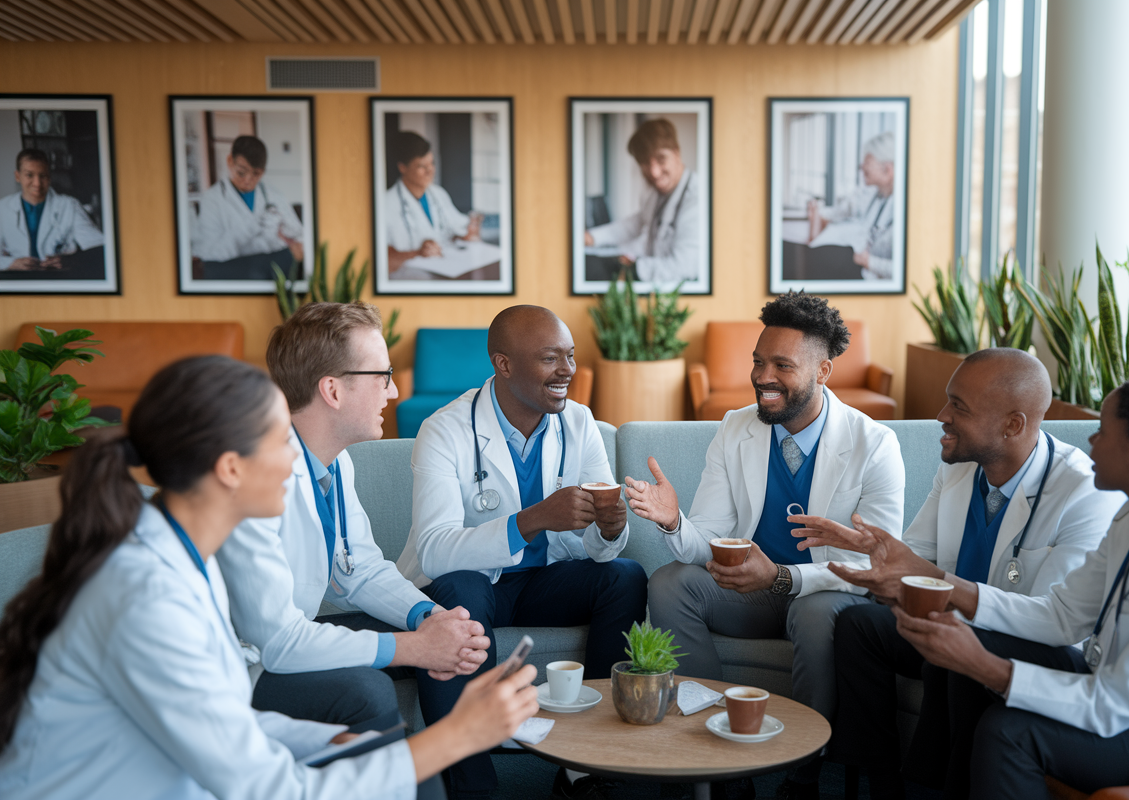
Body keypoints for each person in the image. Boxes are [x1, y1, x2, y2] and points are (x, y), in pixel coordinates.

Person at [0, 355, 539, 800]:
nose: (294, 462)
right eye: (281, 441)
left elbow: (227, 720)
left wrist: (331, 742)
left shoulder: (182, 556)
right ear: (230, 468)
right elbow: (268, 787)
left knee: (382, 765)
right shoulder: (148, 598)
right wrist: (457, 735)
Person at [877, 370, 1129, 798]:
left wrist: (983, 665)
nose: (1091, 441)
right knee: (974, 651)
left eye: (1103, 432)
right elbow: (1062, 615)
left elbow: (1115, 704)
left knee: (1009, 730)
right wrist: (947, 593)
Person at [790, 348, 1126, 798]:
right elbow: (919, 559)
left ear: (1013, 425)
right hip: (954, 617)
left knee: (957, 655)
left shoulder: (1084, 490)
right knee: (859, 624)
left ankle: (930, 787)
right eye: (949, 400)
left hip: (1025, 641)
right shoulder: (958, 467)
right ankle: (877, 781)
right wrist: (877, 557)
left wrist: (934, 587)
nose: (941, 415)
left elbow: (1052, 622)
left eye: (959, 407)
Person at [626, 291, 906, 800]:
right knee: (670, 582)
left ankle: (804, 772)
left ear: (823, 371)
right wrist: (674, 522)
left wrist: (783, 576)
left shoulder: (874, 444)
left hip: (824, 595)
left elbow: (873, 562)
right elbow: (708, 540)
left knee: (817, 614)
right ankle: (714, 757)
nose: (762, 376)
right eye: (758, 361)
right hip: (752, 596)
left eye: (782, 365)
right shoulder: (736, 428)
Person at [396, 305, 648, 800]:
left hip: (541, 582)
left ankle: (585, 769)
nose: (568, 371)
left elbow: (595, 550)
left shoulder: (579, 423)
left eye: (571, 357)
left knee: (624, 575)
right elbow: (433, 550)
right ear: (504, 364)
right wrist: (533, 518)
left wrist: (610, 528)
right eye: (551, 359)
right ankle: (473, 787)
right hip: (471, 583)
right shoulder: (445, 429)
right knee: (459, 596)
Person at [217, 302, 489, 740]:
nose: (394, 391)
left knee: (444, 631)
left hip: (283, 642)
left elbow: (357, 570)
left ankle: (466, 783)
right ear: (333, 390)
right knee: (367, 689)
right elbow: (278, 644)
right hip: (238, 665)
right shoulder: (254, 476)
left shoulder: (336, 463)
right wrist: (414, 648)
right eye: (382, 375)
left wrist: (430, 619)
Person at [584, 118, 700, 284]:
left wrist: (635, 267)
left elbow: (684, 267)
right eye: (645, 163)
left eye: (661, 159)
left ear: (677, 153)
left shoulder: (696, 198)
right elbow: (637, 223)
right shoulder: (656, 194)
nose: (654, 172)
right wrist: (591, 238)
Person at [190, 134, 305, 276]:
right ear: (230, 161)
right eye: (241, 173)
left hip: (273, 269)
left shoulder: (275, 196)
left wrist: (290, 239)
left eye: (256, 174)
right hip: (236, 269)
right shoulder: (211, 199)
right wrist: (251, 227)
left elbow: (300, 238)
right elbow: (209, 254)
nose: (248, 180)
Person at [385, 131, 481, 274]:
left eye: (432, 163)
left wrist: (465, 234)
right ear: (402, 168)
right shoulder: (386, 203)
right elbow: (383, 258)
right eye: (422, 166)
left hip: (446, 271)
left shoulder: (438, 194)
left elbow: (454, 229)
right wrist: (417, 253)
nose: (430, 170)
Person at [805, 130, 895, 280]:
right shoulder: (875, 196)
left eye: (867, 163)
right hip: (857, 267)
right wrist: (817, 213)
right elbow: (843, 211)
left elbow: (907, 271)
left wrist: (870, 262)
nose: (862, 168)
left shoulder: (904, 209)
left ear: (887, 169)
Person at [0, 148, 104, 271]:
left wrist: (71, 260)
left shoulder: (69, 205)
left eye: (42, 176)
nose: (37, 183)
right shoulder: (3, 208)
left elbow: (99, 248)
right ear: (18, 176)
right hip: (19, 280)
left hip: (58, 278)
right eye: (29, 175)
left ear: (49, 177)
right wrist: (10, 263)